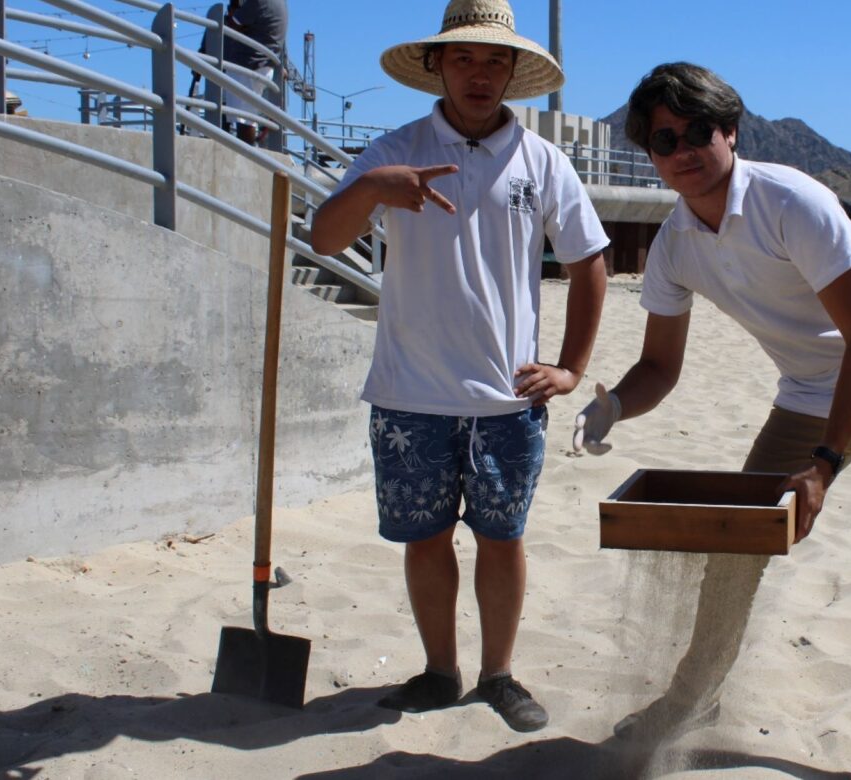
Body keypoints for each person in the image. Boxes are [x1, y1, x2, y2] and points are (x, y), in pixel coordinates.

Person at [573, 62, 851, 780]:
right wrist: (614, 406)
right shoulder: (675, 246)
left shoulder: (790, 201)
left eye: (698, 131)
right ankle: (694, 700)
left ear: (729, 131)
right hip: (807, 397)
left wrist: (822, 464)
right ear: (649, 153)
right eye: (665, 138)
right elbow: (660, 366)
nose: (684, 148)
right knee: (734, 554)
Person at [310, 0, 609, 733]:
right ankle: (440, 671)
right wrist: (378, 189)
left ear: (513, 71)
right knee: (425, 537)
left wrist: (570, 370)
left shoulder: (543, 162)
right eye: (465, 59)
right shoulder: (394, 148)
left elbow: (590, 263)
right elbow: (322, 236)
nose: (480, 74)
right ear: (437, 65)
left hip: (507, 397)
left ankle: (498, 674)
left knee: (502, 539)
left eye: (495, 60)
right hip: (410, 393)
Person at [221, 0, 288, 145]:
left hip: (249, 64)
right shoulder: (280, 3)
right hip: (262, 64)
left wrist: (233, 10)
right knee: (246, 117)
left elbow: (233, 23)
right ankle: (248, 152)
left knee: (244, 119)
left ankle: (247, 156)